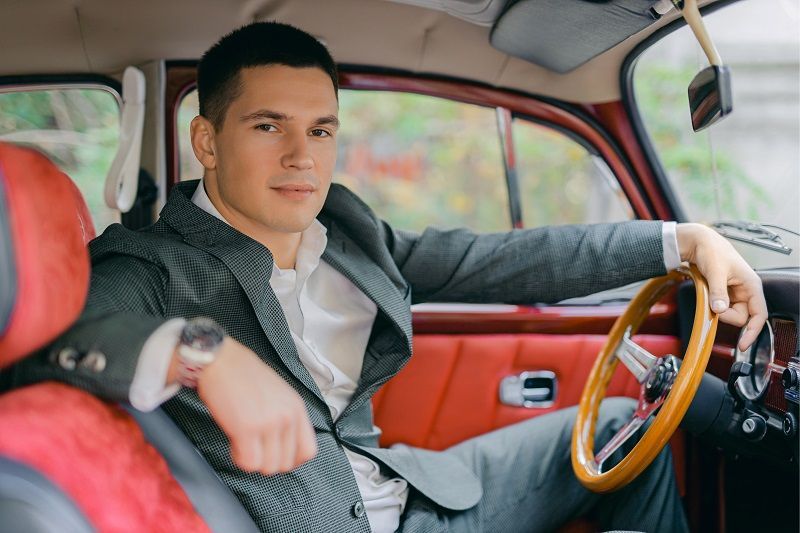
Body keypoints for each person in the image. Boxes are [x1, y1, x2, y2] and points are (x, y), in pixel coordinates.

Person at [4, 22, 766, 533]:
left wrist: (679, 241)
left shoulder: (348, 226)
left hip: (409, 494)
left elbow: (500, 259)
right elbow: (77, 331)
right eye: (268, 126)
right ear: (206, 139)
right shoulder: (151, 259)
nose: (303, 156)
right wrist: (204, 351)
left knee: (613, 430)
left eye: (322, 130)